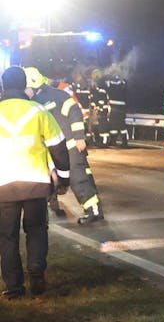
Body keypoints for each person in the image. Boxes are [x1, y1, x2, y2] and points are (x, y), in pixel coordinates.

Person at [0, 66, 71, 298]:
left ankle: (13, 288)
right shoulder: (39, 111)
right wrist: (63, 178)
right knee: (37, 229)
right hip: (35, 182)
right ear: (24, 85)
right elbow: (59, 147)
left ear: (3, 85)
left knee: (7, 237)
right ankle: (36, 267)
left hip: (4, 185)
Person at [25, 68, 106, 225]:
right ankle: (53, 206)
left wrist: (79, 137)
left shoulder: (52, 96)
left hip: (70, 147)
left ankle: (94, 212)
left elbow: (75, 111)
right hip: (56, 149)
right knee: (51, 179)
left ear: (32, 85)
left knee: (79, 180)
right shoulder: (44, 97)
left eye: (25, 88)